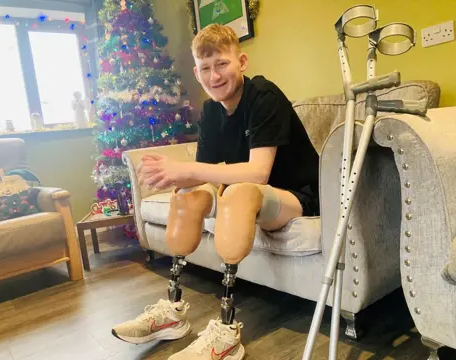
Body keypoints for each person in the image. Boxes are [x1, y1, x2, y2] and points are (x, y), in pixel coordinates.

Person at [111, 24, 320, 359]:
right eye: (205, 68)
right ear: (196, 72)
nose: (214, 75)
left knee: (238, 193)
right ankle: (172, 312)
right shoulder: (210, 111)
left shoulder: (264, 96)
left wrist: (188, 169)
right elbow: (203, 175)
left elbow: (258, 172)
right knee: (189, 196)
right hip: (255, 193)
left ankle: (227, 332)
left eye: (222, 64)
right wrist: (171, 176)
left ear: (242, 61)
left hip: (297, 195)